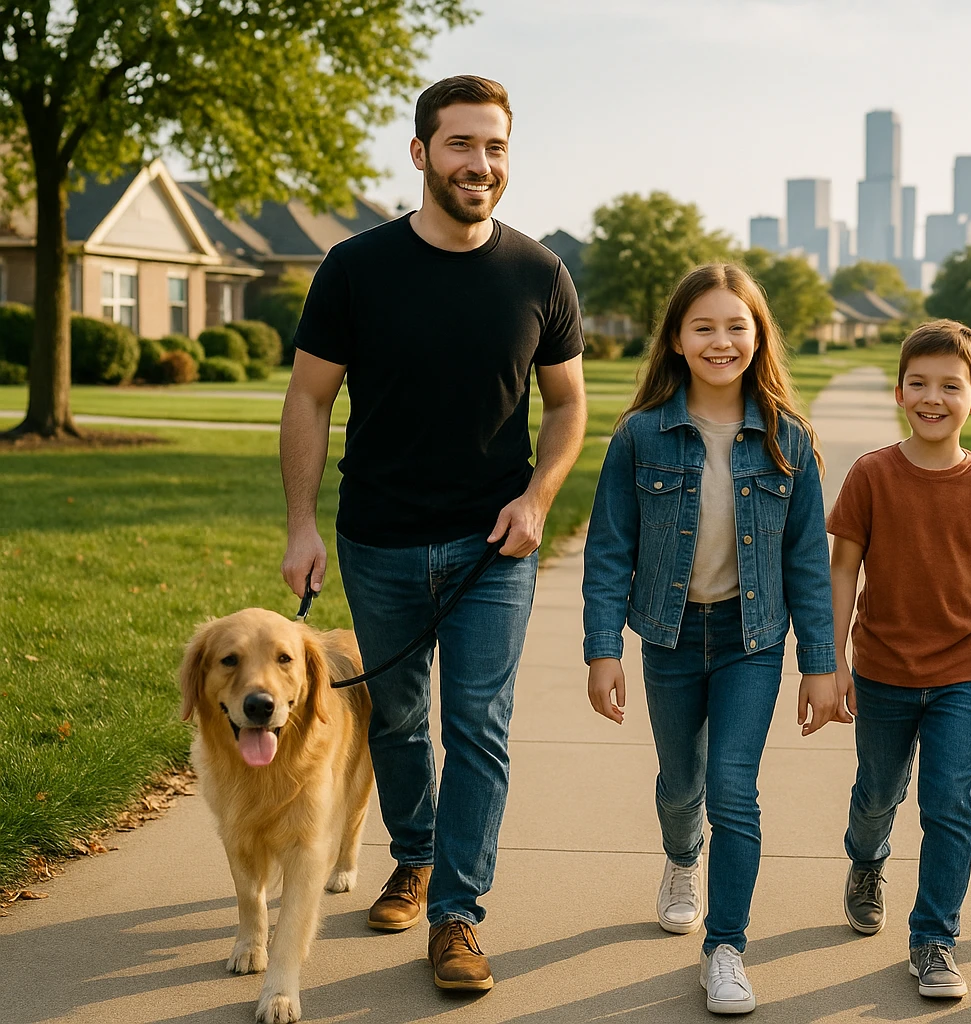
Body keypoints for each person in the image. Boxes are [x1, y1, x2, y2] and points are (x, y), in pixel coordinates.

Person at [278, 75, 588, 994]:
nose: (479, 165)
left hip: (493, 545)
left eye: (494, 147)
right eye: (460, 145)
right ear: (421, 154)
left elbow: (568, 406)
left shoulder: (540, 273)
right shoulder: (354, 268)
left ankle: (457, 914)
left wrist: (537, 500)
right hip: (378, 538)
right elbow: (308, 397)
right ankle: (414, 855)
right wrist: (301, 524)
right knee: (402, 723)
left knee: (478, 728)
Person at [581, 263, 840, 1015]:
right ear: (676, 338)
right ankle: (680, 858)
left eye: (736, 326)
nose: (721, 340)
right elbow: (607, 550)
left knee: (733, 788)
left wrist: (820, 665)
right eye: (704, 326)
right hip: (666, 637)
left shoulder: (788, 438)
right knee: (680, 785)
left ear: (759, 338)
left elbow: (807, 566)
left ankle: (726, 947)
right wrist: (603, 650)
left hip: (750, 640)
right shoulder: (639, 436)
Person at [826, 320, 971, 1001]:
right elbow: (843, 569)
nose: (932, 397)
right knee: (878, 796)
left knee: (950, 805)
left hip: (961, 677)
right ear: (899, 392)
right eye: (919, 383)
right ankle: (865, 861)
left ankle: (934, 938)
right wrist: (832, 661)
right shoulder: (873, 474)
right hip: (882, 669)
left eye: (950, 385)